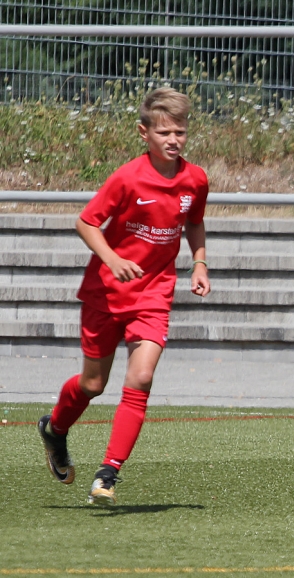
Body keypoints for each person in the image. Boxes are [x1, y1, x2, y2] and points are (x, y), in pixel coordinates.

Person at [38, 87, 210, 505]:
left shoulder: (195, 179)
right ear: (143, 133)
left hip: (154, 291)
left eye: (180, 132)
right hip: (106, 293)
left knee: (142, 377)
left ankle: (108, 473)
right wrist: (112, 259)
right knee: (93, 384)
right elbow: (86, 223)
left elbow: (194, 222)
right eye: (164, 132)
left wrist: (200, 263)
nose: (174, 140)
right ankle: (55, 430)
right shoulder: (128, 177)